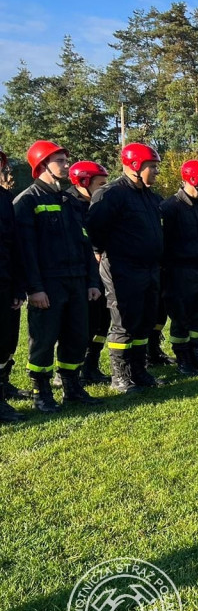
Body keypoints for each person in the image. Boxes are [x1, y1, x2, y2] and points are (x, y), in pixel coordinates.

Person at [16, 140, 103, 411]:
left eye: (66, 161)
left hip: (77, 280)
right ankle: (41, 392)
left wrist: (91, 280)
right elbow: (25, 252)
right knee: (43, 339)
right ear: (42, 165)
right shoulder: (27, 201)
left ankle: (72, 386)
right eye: (61, 162)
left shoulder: (69, 200)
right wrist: (35, 288)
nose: (67, 166)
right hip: (48, 284)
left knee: (76, 336)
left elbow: (84, 242)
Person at [86, 142, 166, 393]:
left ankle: (139, 371)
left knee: (145, 320)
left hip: (149, 268)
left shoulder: (150, 197)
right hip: (122, 268)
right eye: (151, 167)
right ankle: (119, 376)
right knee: (124, 322)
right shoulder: (111, 194)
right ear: (134, 166)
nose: (156, 172)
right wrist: (100, 252)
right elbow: (96, 229)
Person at [160, 160, 198, 376]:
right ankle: (182, 358)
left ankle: (196, 355)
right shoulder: (170, 207)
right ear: (193, 178)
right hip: (179, 271)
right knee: (181, 317)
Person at [66, 160, 111, 385]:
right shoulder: (68, 204)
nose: (104, 188)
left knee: (103, 320)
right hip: (78, 274)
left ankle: (91, 366)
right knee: (79, 324)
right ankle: (68, 371)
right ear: (84, 182)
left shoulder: (98, 202)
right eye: (101, 184)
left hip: (101, 272)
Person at [0, 146, 26, 422]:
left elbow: (15, 245)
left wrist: (19, 286)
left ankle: (3, 387)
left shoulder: (4, 199)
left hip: (6, 282)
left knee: (6, 341)